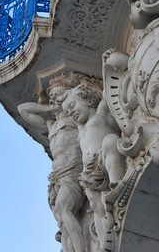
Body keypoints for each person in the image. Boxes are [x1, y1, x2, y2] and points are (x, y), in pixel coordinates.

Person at [18, 73, 87, 252]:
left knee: (65, 209)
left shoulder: (77, 119)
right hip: (56, 177)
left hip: (73, 170)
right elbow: (23, 109)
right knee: (63, 222)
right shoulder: (51, 125)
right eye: (53, 97)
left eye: (59, 95)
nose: (55, 99)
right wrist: (48, 109)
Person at [59, 81, 126, 250]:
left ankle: (116, 186)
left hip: (103, 158)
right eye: (68, 111)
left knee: (111, 141)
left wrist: (109, 64)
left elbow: (110, 93)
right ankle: (106, 239)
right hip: (89, 172)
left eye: (73, 105)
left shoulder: (101, 114)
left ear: (88, 100)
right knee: (96, 207)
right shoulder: (80, 130)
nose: (71, 111)